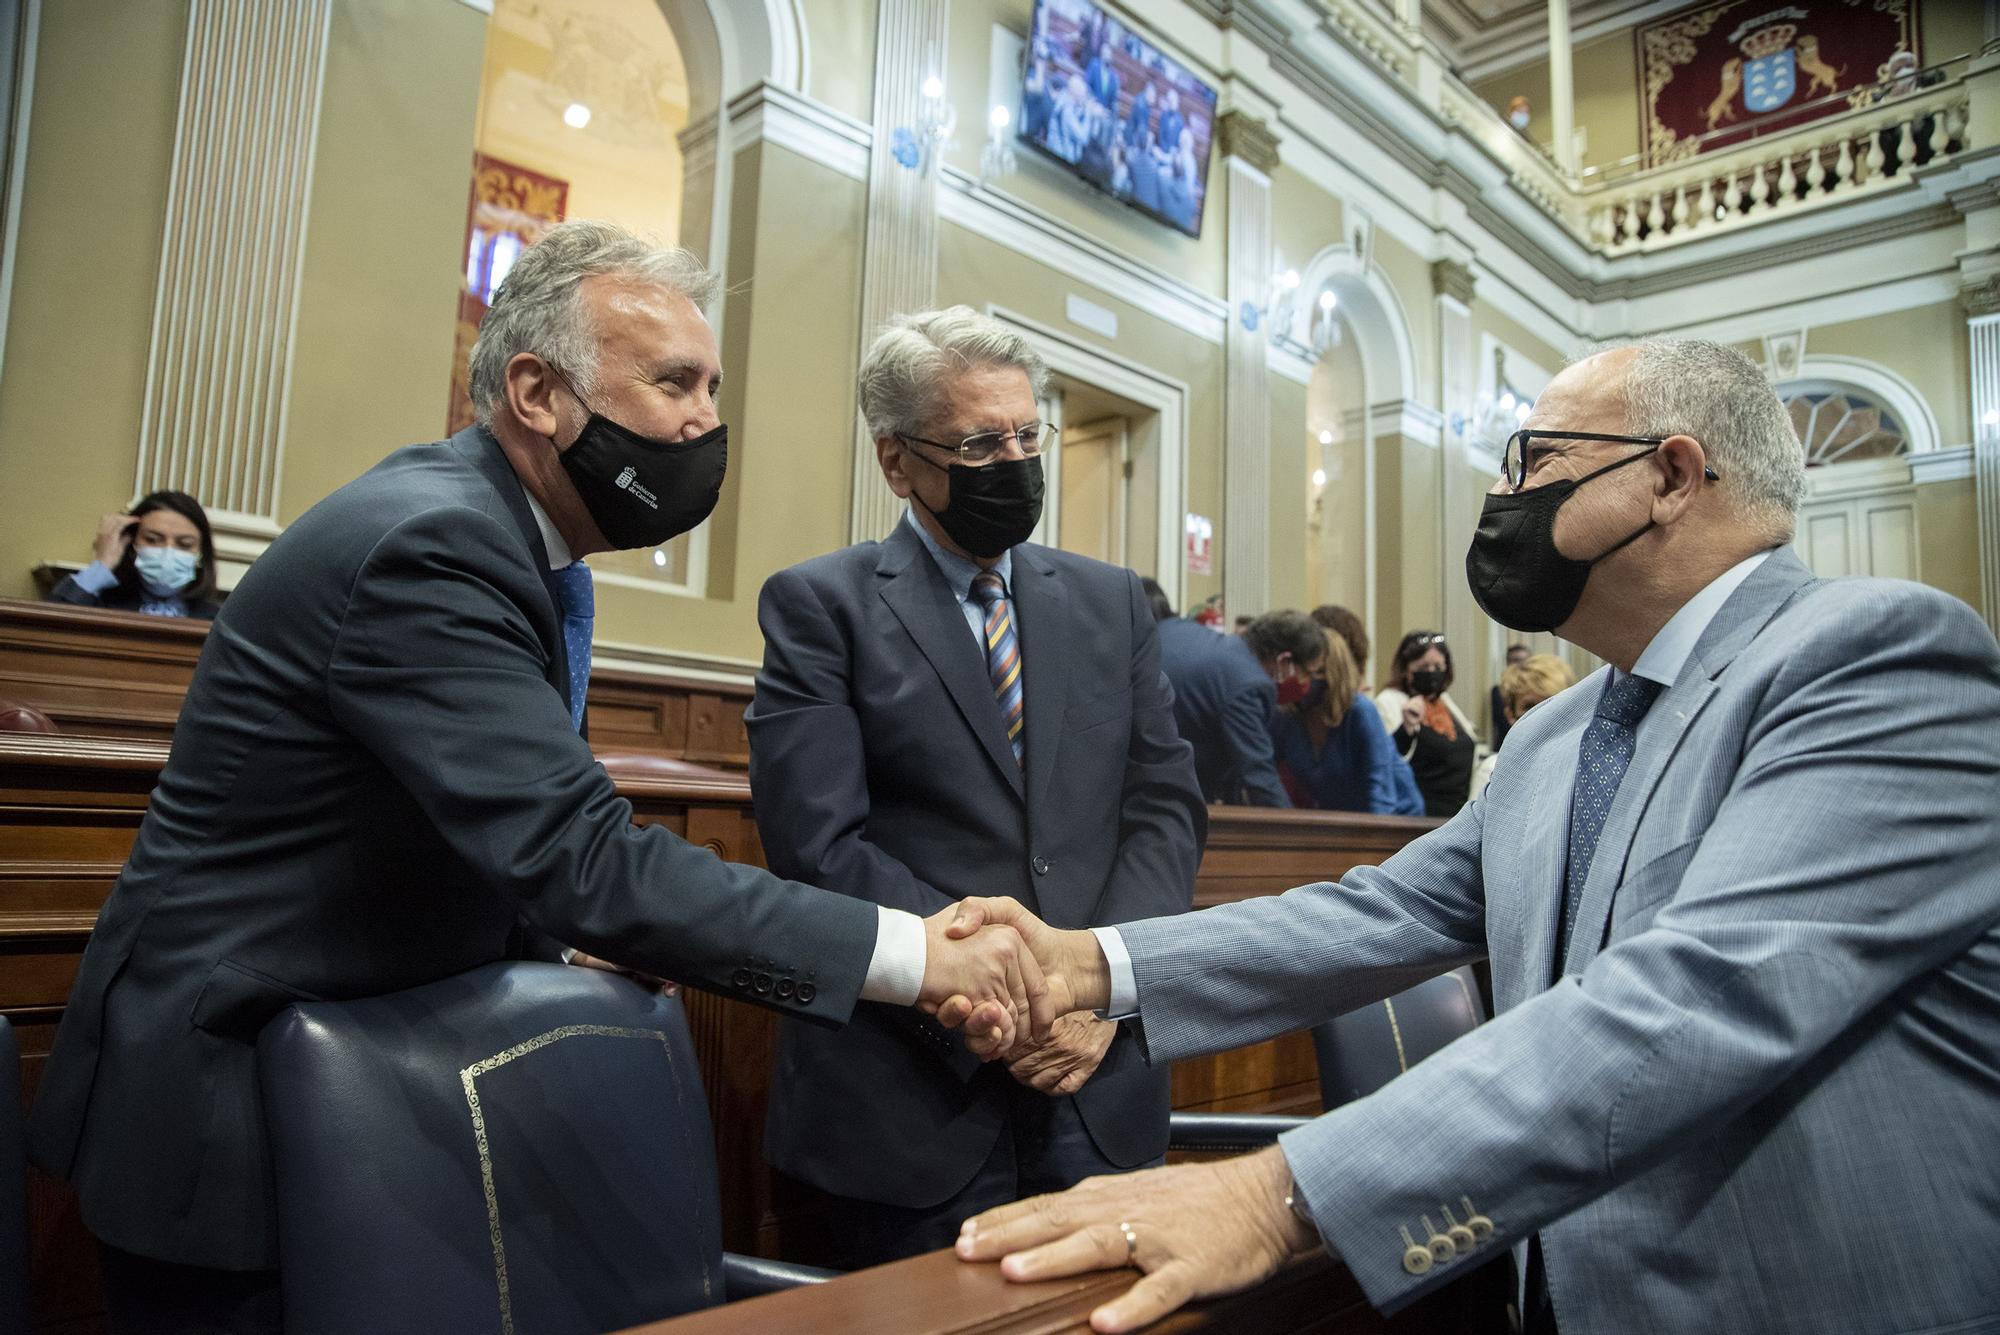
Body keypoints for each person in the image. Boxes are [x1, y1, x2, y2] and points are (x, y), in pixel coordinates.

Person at [28, 223, 1045, 1333]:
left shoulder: (509, 543)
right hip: (231, 1119)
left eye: (711, 386)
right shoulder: (431, 546)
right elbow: (577, 853)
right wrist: (916, 954)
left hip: (353, 1099)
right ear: (535, 391)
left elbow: (456, 827)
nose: (706, 421)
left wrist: (555, 938)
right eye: (672, 384)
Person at [943, 338, 2000, 1335]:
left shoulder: (1872, 656)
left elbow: (1706, 990)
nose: (1502, 497)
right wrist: (1090, 962)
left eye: (1532, 460)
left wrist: (1279, 1196)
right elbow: (1383, 912)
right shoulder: (1560, 733)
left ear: (1672, 477)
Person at [746, 307, 1204, 1269]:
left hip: (1100, 1082)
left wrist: (1098, 989)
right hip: (913, 1099)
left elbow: (1163, 806)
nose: (1015, 459)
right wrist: (1003, 1002)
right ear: (897, 460)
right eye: (979, 441)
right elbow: (820, 844)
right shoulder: (820, 605)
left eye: (1027, 434)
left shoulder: (1112, 601)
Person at [1157, 605, 1320, 807]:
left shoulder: (1180, 629)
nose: (1308, 682)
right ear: (1284, 660)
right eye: (1308, 673)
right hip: (1161, 793)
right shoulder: (1250, 684)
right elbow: (1259, 776)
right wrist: (1298, 834)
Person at [1271, 631, 1422, 814]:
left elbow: (1380, 789)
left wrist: (1378, 839)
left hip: (1396, 818)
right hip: (1341, 822)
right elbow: (1269, 772)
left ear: (1331, 672)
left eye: (1314, 671)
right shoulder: (1288, 717)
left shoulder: (1360, 711)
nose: (1301, 678)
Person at [47, 490, 222, 620]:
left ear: (200, 554)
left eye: (184, 544)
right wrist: (102, 564)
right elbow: (46, 628)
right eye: (153, 540)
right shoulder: (102, 603)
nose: (168, 552)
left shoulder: (217, 619)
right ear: (132, 545)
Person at [1375, 630, 1480, 818]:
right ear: (1406, 669)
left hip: (1457, 816)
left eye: (1438, 666)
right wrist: (1406, 727)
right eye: (1424, 667)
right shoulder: (1390, 701)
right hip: (1420, 819)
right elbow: (1390, 759)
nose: (1432, 673)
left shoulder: (1444, 701)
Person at [1471, 652, 1574, 799]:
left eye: (1551, 702)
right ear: (1510, 715)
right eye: (1529, 706)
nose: (1541, 712)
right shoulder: (1494, 771)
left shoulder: (1584, 766)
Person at [1488, 642, 1531, 747]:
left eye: (1525, 661)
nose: (1520, 665)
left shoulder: (1539, 691)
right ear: (1507, 663)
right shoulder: (1498, 691)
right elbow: (1503, 725)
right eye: (1515, 661)